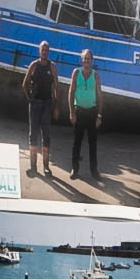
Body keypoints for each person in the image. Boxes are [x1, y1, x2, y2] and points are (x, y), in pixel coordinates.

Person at [20, 42, 58, 177]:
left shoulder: (52, 67)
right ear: (39, 51)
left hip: (47, 105)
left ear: (48, 52)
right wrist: (30, 99)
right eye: (43, 49)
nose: (44, 51)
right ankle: (33, 166)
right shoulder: (34, 65)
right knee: (33, 135)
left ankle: (46, 167)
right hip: (35, 105)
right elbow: (24, 84)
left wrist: (56, 106)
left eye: (47, 49)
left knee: (46, 136)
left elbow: (56, 88)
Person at [65, 48, 103, 179]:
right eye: (84, 58)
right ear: (81, 60)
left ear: (92, 61)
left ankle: (94, 171)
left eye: (88, 58)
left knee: (93, 143)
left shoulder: (96, 75)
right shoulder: (76, 73)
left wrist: (99, 115)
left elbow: (100, 96)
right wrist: (71, 112)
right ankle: (75, 169)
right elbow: (70, 92)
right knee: (77, 142)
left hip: (92, 112)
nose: (86, 60)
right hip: (79, 111)